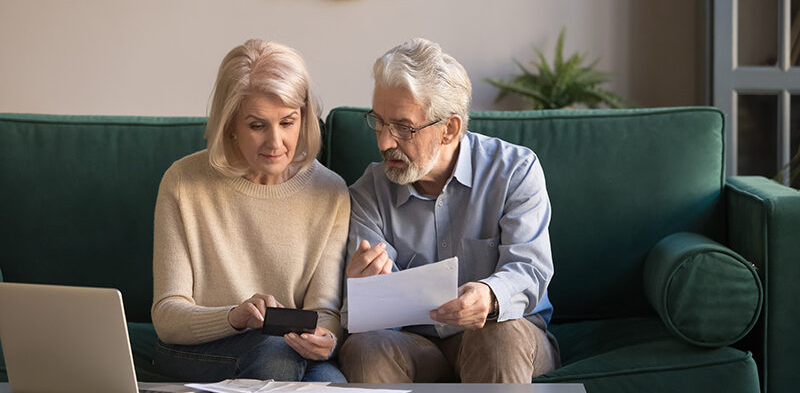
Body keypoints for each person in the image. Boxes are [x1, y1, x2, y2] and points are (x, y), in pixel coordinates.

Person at [339, 38, 560, 383]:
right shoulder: (368, 191)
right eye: (379, 122)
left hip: (506, 335)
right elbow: (361, 318)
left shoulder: (515, 170)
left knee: (498, 335)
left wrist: (489, 296)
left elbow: (530, 270)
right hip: (415, 345)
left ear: (450, 129)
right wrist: (362, 291)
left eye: (403, 127)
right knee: (366, 347)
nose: (384, 141)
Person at [151, 39, 349, 383]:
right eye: (257, 125)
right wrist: (234, 316)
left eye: (287, 122)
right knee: (276, 355)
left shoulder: (331, 192)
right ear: (230, 124)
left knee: (332, 383)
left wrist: (326, 339)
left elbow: (325, 311)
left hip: (289, 351)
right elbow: (167, 316)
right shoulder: (182, 182)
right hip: (200, 347)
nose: (275, 143)